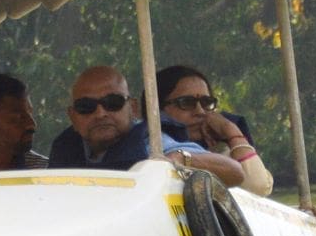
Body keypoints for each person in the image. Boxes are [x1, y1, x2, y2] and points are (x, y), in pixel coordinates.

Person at [45, 66, 248, 188]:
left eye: (113, 103)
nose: (101, 114)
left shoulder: (151, 143)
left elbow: (235, 172)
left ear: (132, 108)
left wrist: (182, 159)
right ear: (72, 117)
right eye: (86, 107)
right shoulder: (66, 149)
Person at [156, 64, 273, 195]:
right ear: (158, 109)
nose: (200, 112)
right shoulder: (154, 145)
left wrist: (231, 132)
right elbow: (257, 187)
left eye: (206, 102)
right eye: (186, 103)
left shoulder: (219, 145)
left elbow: (258, 187)